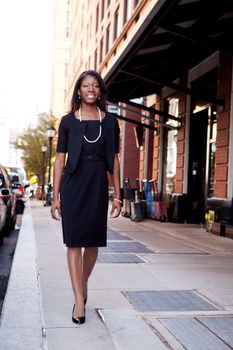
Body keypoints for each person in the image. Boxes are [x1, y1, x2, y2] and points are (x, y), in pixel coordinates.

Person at [51, 70, 121, 325]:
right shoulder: (68, 121)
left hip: (96, 185)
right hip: (73, 183)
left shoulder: (110, 122)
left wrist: (117, 196)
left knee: (92, 244)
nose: (90, 89)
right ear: (78, 91)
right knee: (74, 243)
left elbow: (113, 159)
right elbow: (60, 159)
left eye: (95, 85)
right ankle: (79, 301)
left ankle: (82, 284)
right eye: (85, 85)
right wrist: (55, 195)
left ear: (100, 91)